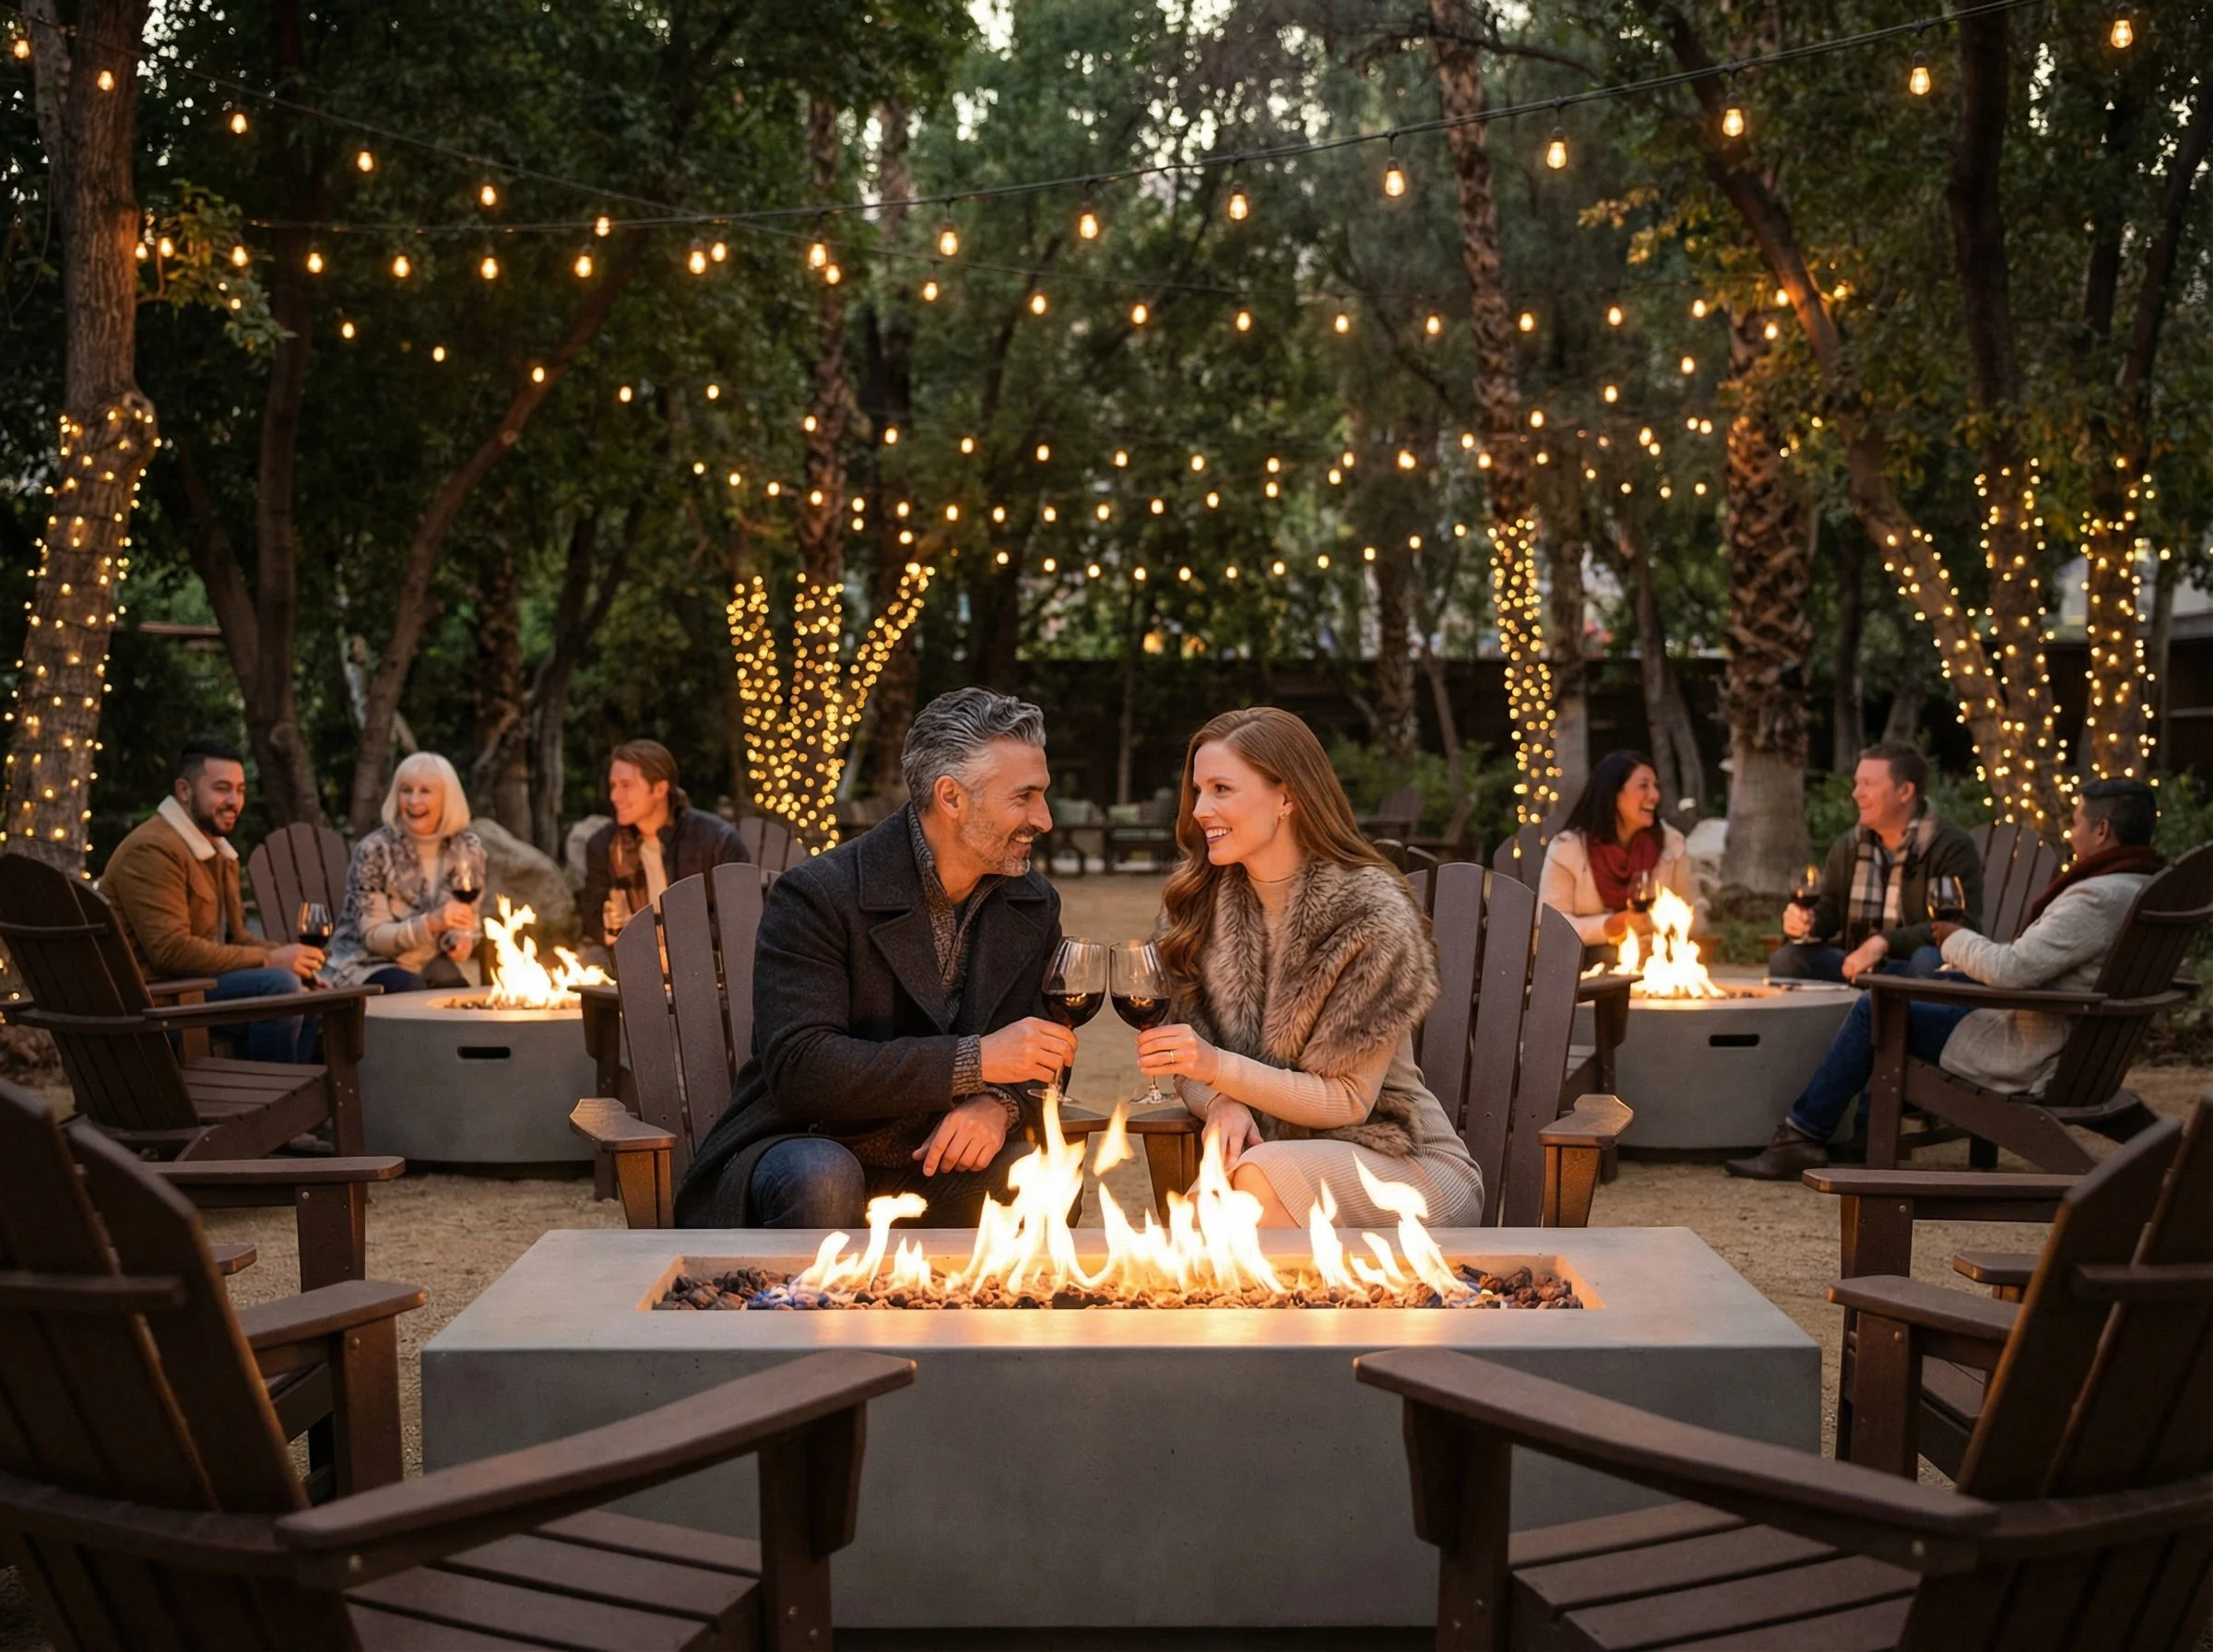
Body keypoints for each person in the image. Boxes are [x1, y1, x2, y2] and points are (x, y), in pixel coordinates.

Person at [675, 689, 1073, 1228]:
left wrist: (998, 1107)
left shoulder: (1030, 902)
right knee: (824, 1178)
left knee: (1042, 1178)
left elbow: (1043, 1049)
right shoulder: (819, 895)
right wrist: (975, 1061)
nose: (1044, 819)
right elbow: (801, 1067)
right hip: (805, 1139)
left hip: (937, 1157)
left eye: (1042, 795)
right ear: (951, 798)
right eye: (1024, 797)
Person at [1132, 707, 1483, 1229]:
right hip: (1269, 1161)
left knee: (1244, 1191)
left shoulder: (1368, 912)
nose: (1201, 809)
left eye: (1222, 789)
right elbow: (1188, 1062)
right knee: (1223, 1201)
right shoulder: (1197, 905)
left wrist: (1215, 1069)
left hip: (1403, 1162)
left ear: (1288, 796)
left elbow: (1347, 1101)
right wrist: (1222, 1103)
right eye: (1198, 791)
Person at [1726, 779, 2164, 1179]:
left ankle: (1803, 1135)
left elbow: (2010, 970)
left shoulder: (2095, 897)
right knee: (1895, 980)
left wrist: (1954, 939)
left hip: (2028, 1050)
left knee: (1875, 1006)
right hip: (2069, 1035)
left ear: (2102, 831)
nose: (2072, 834)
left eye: (2076, 823)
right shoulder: (2142, 889)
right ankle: (1846, 1124)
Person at [100, 738, 320, 1063]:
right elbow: (169, 951)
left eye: (241, 790)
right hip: (156, 1003)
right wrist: (272, 962)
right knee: (279, 987)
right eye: (221, 788)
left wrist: (297, 958)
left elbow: (236, 937)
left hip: (197, 988)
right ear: (185, 791)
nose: (234, 801)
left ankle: (291, 1105)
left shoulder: (215, 848)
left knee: (308, 993)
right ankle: (265, 1101)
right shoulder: (153, 849)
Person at [1768, 741, 1982, 983]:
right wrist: (1808, 922)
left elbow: (1963, 925)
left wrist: (1884, 943)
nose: (1856, 793)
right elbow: (1830, 908)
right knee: (1786, 960)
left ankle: (1904, 1012)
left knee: (1929, 960)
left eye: (1867, 784)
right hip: (1856, 964)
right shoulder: (1849, 846)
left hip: (1910, 969)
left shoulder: (1950, 846)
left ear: (1905, 792)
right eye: (1857, 783)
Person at [320, 753, 485, 993]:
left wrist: (461, 940)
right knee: (411, 991)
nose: (413, 800)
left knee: (458, 994)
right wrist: (431, 923)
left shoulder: (467, 850)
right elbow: (373, 938)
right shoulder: (375, 851)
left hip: (427, 961)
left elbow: (467, 916)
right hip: (367, 963)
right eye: (406, 790)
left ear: (447, 799)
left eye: (425, 791)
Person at [577, 738, 749, 963]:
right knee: (590, 959)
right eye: (613, 785)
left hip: (702, 962)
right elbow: (592, 916)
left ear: (659, 789)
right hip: (636, 961)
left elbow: (737, 919)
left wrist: (675, 941)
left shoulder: (716, 841)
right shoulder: (605, 845)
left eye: (626, 785)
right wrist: (609, 929)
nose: (614, 796)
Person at [1539, 749, 1699, 953]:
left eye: (1655, 787)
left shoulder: (1671, 844)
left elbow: (1688, 913)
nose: (1655, 796)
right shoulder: (1568, 849)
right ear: (1613, 793)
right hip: (1582, 964)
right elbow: (1549, 929)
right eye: (1643, 786)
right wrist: (1610, 926)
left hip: (1654, 961)